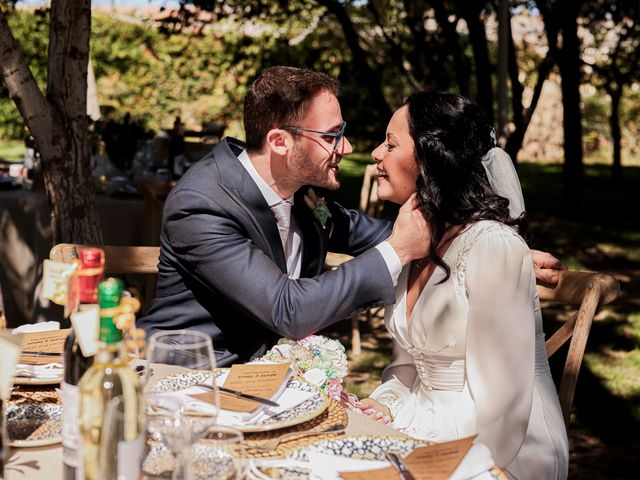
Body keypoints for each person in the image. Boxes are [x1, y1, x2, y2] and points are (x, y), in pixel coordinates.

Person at [138, 66, 431, 366]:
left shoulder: (300, 189)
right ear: (280, 142)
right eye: (331, 136)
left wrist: (448, 229)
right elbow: (288, 308)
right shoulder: (203, 203)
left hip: (261, 382)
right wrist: (397, 251)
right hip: (188, 376)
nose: (347, 147)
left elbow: (360, 230)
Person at [356, 92, 569, 479]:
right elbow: (405, 367)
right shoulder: (415, 241)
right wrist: (385, 405)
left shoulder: (492, 246)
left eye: (390, 143)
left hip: (499, 449)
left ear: (430, 158)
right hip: (423, 423)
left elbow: (502, 416)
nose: (375, 153)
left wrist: (409, 438)